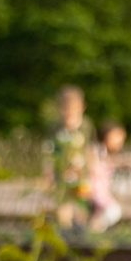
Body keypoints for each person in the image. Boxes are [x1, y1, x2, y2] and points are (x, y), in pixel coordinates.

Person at [87, 122, 131, 233]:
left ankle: (92, 233)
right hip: (92, 191)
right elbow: (100, 161)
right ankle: (92, 231)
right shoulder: (97, 149)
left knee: (108, 213)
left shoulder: (111, 154)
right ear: (106, 135)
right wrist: (125, 160)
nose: (119, 140)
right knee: (113, 211)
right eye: (116, 136)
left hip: (100, 192)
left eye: (122, 137)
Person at [50, 86, 93, 228]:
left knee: (81, 207)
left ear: (82, 107)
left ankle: (80, 238)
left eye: (74, 108)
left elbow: (91, 150)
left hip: (81, 175)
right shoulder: (56, 128)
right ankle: (65, 236)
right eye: (66, 108)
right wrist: (48, 173)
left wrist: (92, 169)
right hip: (61, 177)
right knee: (63, 208)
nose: (70, 112)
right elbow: (50, 152)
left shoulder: (86, 126)